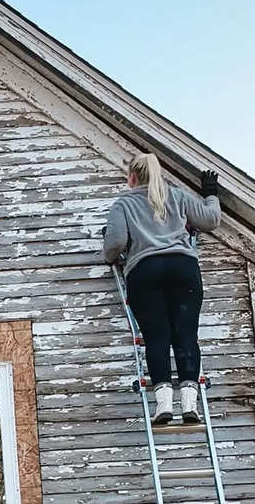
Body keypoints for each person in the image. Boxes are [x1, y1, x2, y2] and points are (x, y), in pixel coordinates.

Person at [103, 153, 221, 425]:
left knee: (156, 337)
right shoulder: (177, 197)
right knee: (186, 335)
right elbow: (211, 220)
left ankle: (164, 406)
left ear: (132, 177)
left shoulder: (124, 204)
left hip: (145, 273)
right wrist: (210, 193)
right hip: (184, 269)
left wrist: (110, 254)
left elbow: (116, 242)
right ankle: (190, 404)